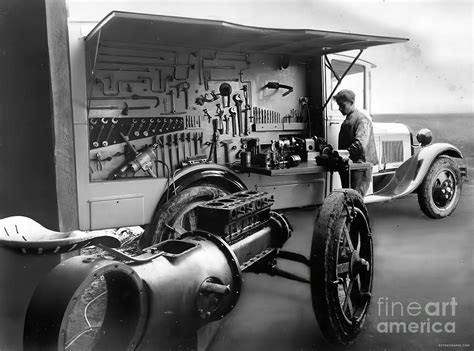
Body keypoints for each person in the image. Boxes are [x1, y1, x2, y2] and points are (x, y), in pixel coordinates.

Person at [333, 89, 378, 196]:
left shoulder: (362, 120)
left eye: (342, 105)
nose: (339, 108)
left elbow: (360, 145)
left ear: (352, 103)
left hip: (360, 166)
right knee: (348, 199)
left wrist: (341, 154)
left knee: (355, 200)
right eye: (338, 105)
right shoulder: (349, 119)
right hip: (350, 166)